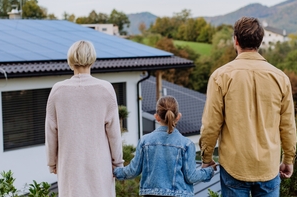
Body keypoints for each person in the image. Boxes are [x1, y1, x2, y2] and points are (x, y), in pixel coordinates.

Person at [199, 17, 297, 197]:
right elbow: (288, 125)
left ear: (235, 40)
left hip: (234, 165)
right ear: (260, 41)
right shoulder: (281, 78)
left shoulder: (220, 76)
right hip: (268, 166)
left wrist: (206, 158)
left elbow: (211, 125)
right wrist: (288, 159)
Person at [45, 40, 124, 196]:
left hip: (69, 164)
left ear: (71, 59)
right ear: (92, 58)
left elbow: (51, 132)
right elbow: (114, 134)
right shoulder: (105, 89)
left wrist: (52, 162)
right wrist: (117, 164)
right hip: (99, 165)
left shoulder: (58, 91)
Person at [114, 95, 215, 197]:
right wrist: (209, 170)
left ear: (157, 117)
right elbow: (191, 177)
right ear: (178, 116)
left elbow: (132, 171)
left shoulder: (145, 141)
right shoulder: (187, 144)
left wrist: (115, 171)